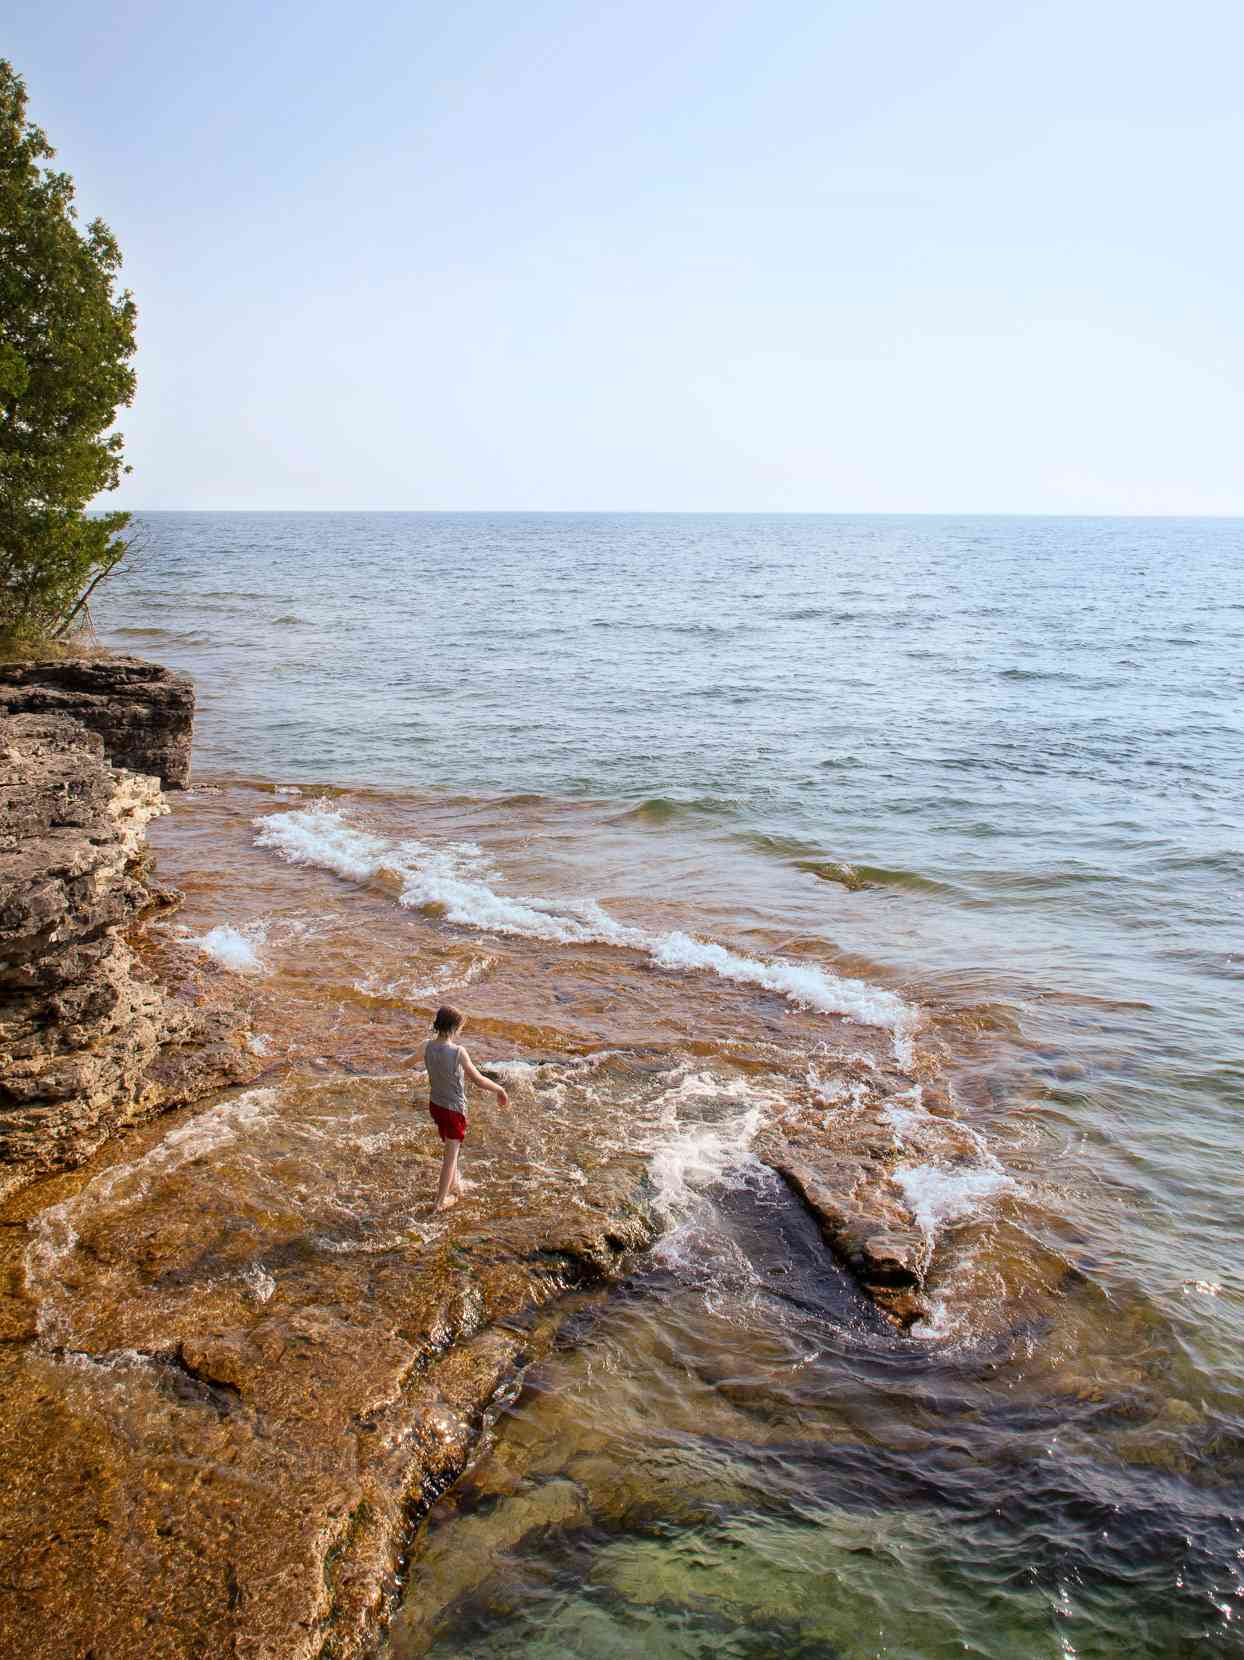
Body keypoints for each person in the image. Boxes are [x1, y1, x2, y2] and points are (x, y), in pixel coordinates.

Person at [422, 1004, 508, 1212]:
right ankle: (440, 1202)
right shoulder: (459, 1051)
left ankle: (455, 1184)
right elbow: (477, 1079)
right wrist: (500, 1090)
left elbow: (407, 1062)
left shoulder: (426, 1046)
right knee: (450, 1157)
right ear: (455, 1029)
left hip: (436, 1105)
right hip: (453, 1111)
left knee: (451, 1148)